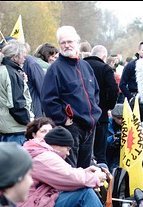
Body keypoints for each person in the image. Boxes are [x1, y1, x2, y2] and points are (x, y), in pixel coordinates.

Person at [19, 126, 116, 207]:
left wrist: (85, 172)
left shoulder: (37, 152)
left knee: (77, 194)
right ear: (57, 146)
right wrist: (95, 178)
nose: (68, 153)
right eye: (68, 149)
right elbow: (69, 176)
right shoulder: (44, 157)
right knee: (84, 194)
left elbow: (66, 176)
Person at [42, 26, 101, 168]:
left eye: (70, 41)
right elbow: (48, 99)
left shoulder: (85, 66)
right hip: (71, 129)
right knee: (71, 170)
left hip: (90, 127)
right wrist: (63, 118)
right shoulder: (55, 69)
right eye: (63, 42)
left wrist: (94, 112)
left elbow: (95, 92)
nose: (67, 45)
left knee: (86, 169)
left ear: (77, 42)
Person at [84, 45, 119, 165]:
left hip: (81, 115)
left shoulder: (79, 66)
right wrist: (109, 106)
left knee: (82, 153)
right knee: (100, 154)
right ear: (104, 57)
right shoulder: (105, 69)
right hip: (101, 114)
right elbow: (113, 89)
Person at [0, 40, 34, 146]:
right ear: (15, 56)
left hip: (7, 125)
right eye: (24, 54)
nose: (25, 57)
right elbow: (16, 103)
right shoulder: (11, 73)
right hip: (16, 128)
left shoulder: (1, 70)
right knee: (18, 162)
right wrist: (29, 121)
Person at [119, 42, 143, 120]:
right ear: (139, 51)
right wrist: (130, 97)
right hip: (135, 97)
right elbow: (122, 84)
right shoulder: (130, 66)